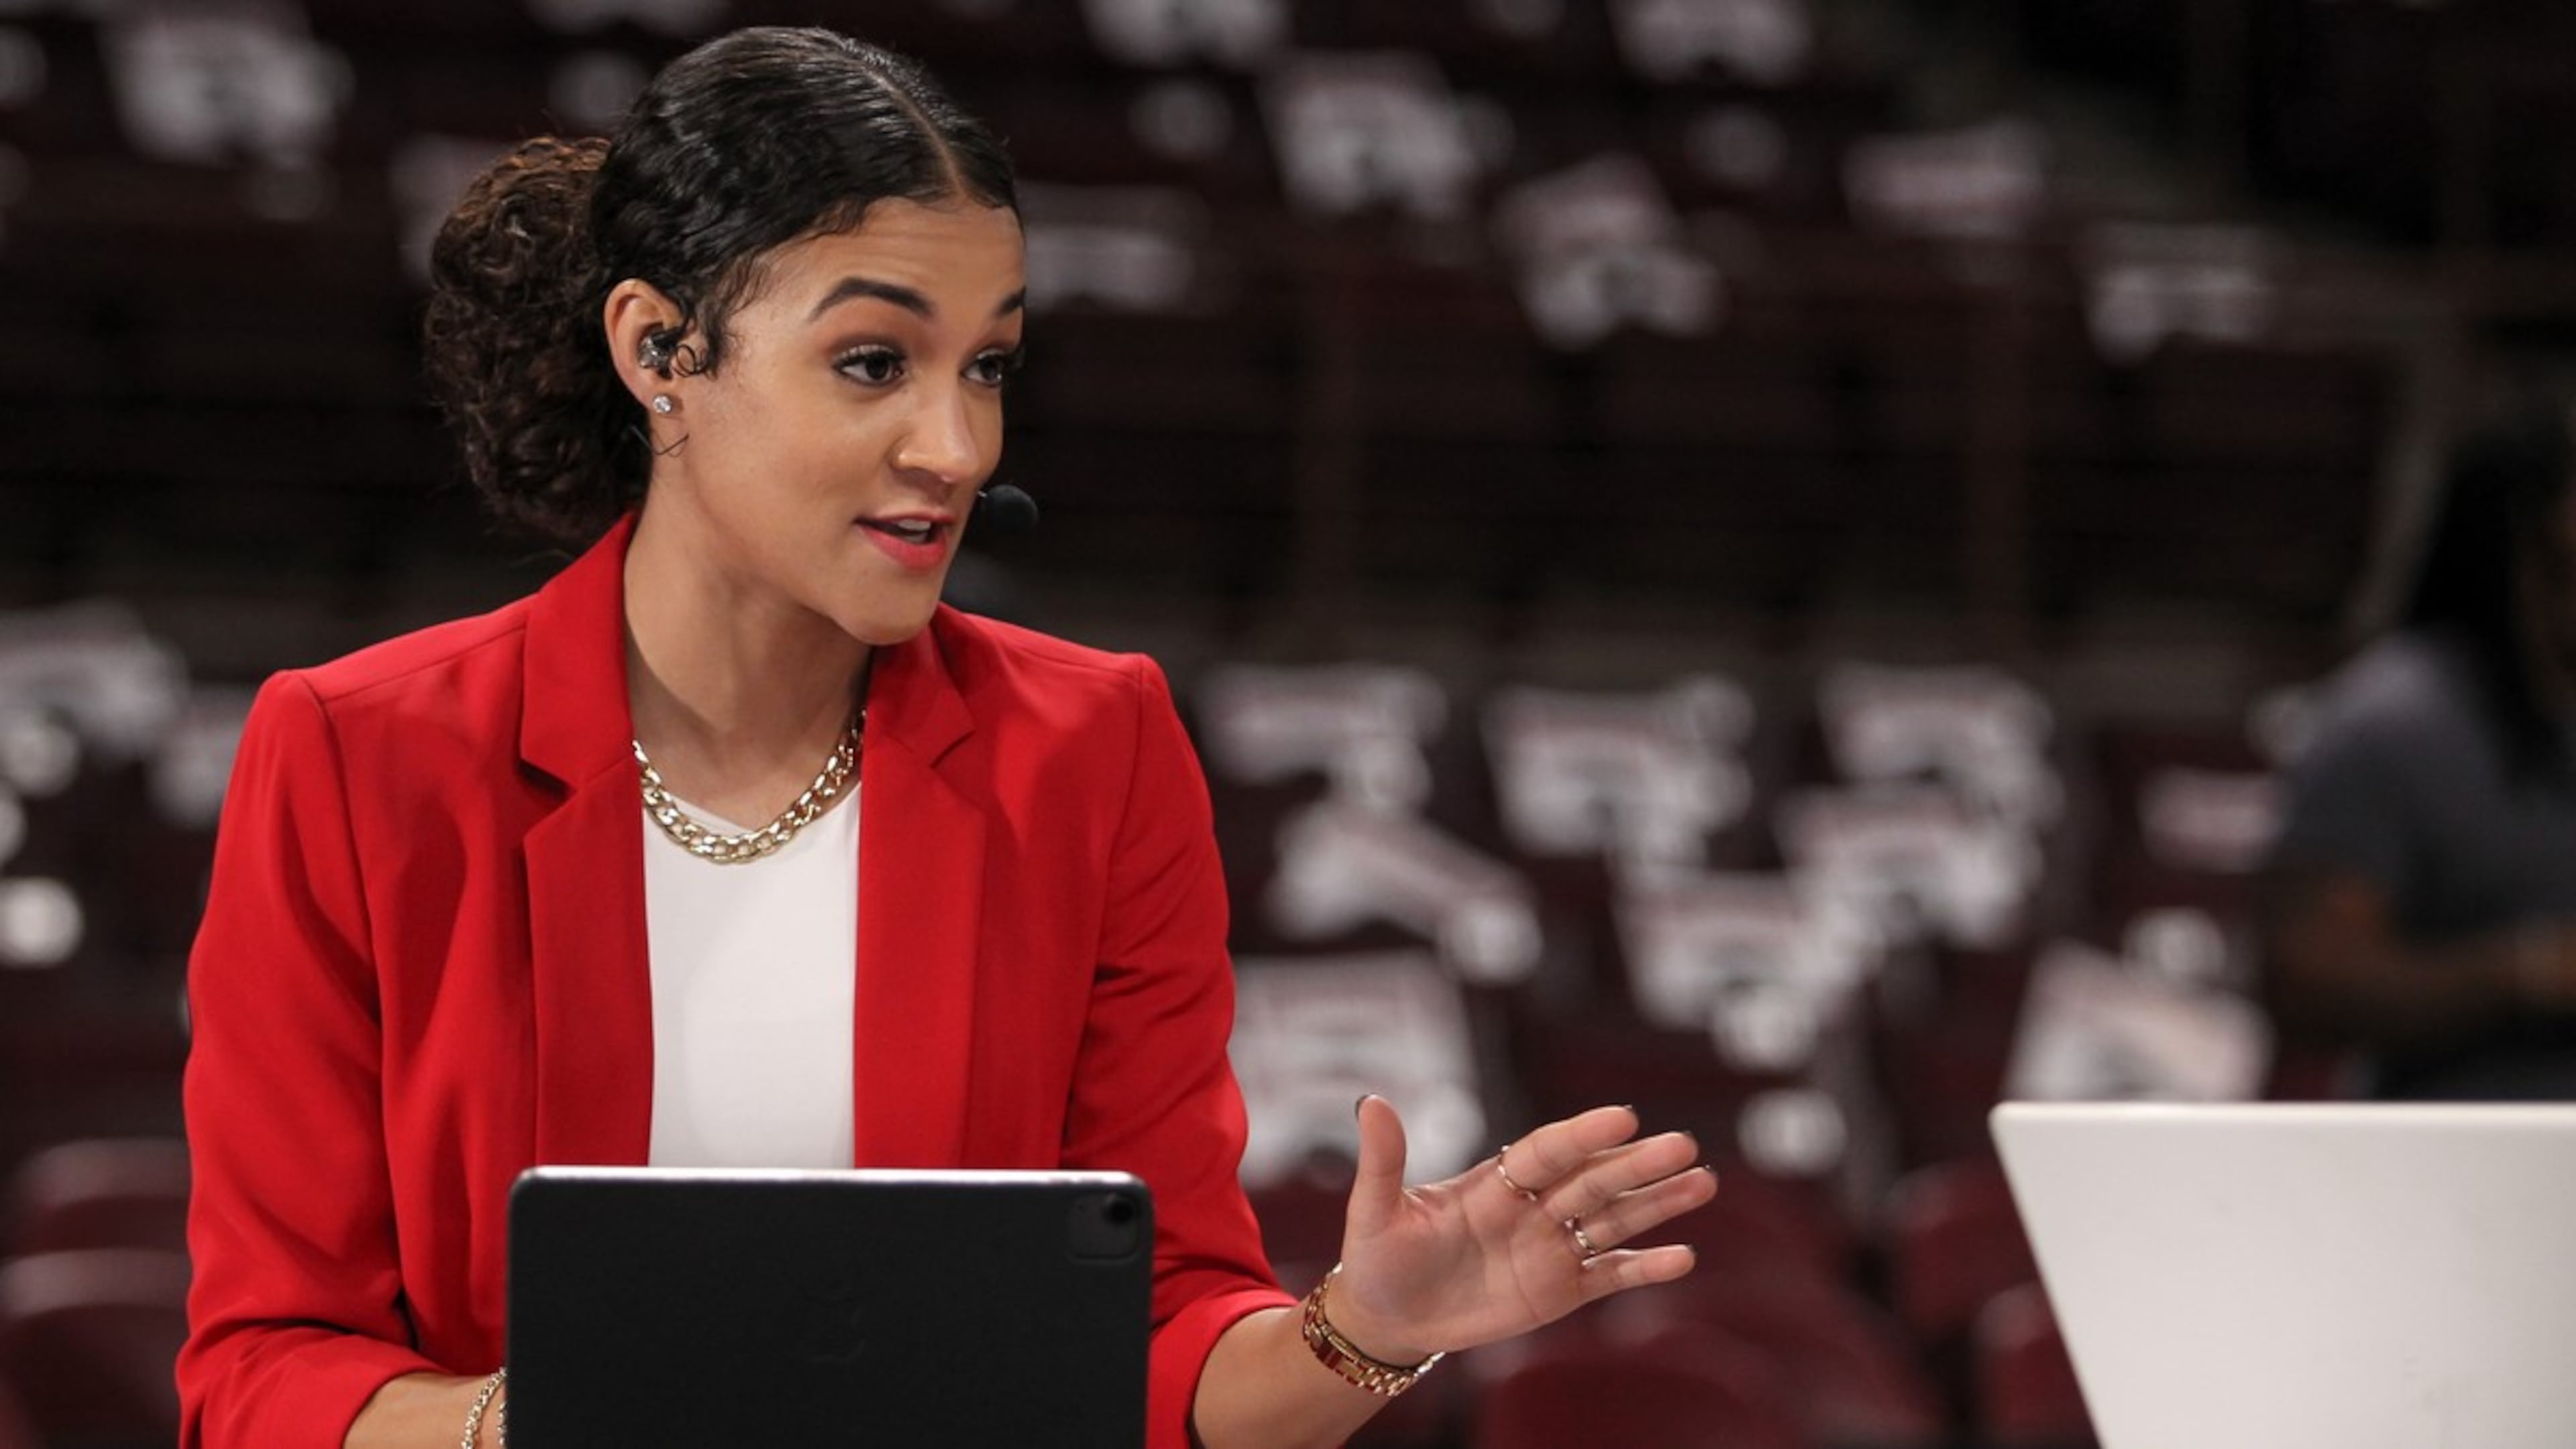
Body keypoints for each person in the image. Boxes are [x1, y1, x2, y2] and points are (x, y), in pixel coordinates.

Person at [174, 26, 1718, 1449]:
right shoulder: (355, 757)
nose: (957, 446)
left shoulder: (1091, 747)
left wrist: (1358, 1333)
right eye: (872, 361)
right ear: (658, 354)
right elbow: (261, 1370)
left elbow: (1161, 1337)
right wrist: (556, 1422)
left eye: (986, 364)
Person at [2263, 398, 2576, 1098]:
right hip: (2454, 1165)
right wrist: (2526, 972)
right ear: (2529, 539)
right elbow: (2305, 976)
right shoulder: (2398, 722)